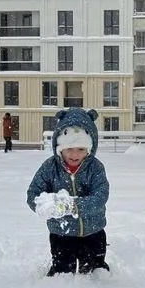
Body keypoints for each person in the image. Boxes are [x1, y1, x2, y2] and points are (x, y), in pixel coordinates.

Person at [26, 108, 111, 277]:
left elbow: (101, 196)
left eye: (80, 148)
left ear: (89, 148)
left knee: (94, 270)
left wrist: (74, 206)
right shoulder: (50, 168)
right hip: (61, 233)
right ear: (59, 148)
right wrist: (45, 205)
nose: (74, 154)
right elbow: (33, 194)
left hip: (93, 231)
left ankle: (100, 283)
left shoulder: (95, 168)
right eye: (69, 148)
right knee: (63, 270)